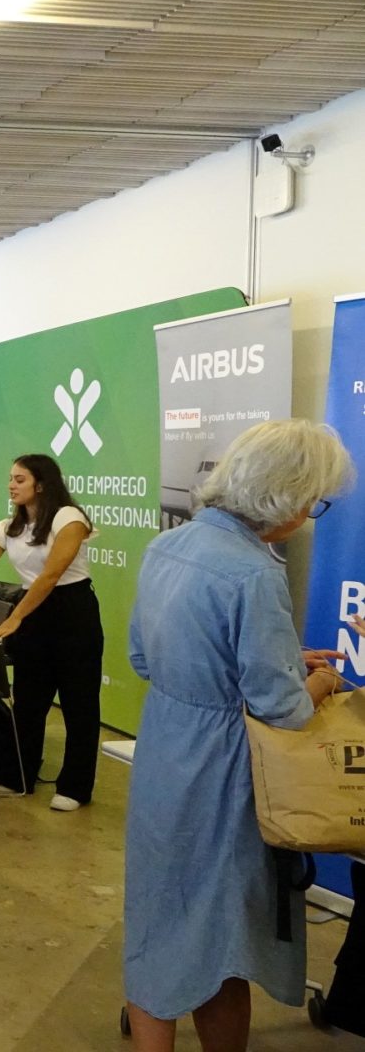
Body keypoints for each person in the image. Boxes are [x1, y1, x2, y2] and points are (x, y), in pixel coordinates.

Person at [124, 419, 353, 1052]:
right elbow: (283, 708)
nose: (308, 516)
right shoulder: (255, 573)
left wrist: (275, 661)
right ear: (282, 495)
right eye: (311, 501)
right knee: (223, 935)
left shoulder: (167, 546)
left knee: (156, 916)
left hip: (165, 747)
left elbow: (144, 657)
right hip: (223, 768)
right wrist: (320, 683)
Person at [0, 453, 103, 810]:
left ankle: (75, 787)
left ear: (42, 485)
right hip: (34, 613)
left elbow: (51, 576)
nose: (11, 485)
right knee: (29, 701)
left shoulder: (69, 518)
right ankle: (17, 775)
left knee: (79, 703)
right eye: (10, 478)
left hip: (72, 611)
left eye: (20, 480)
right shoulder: (8, 527)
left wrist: (15, 618)